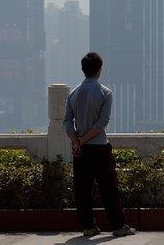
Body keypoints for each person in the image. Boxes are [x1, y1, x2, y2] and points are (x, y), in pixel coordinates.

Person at [63, 52, 136, 237]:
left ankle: (88, 226)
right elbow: (102, 123)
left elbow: (67, 123)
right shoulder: (105, 92)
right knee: (108, 187)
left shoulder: (73, 93)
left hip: (80, 150)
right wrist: (84, 140)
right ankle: (119, 226)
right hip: (100, 147)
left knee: (82, 188)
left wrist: (76, 142)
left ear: (83, 69)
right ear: (99, 69)